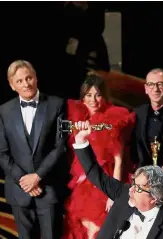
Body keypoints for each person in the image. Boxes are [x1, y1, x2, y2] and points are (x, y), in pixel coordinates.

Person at [71, 120, 163, 239]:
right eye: (133, 183)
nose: (131, 190)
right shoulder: (123, 193)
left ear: (154, 198)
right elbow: (95, 173)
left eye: (138, 188)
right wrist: (81, 139)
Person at [0, 60, 66, 239]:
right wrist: (24, 180)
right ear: (12, 85)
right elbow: (1, 152)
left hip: (47, 189)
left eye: (29, 78)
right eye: (19, 81)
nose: (26, 84)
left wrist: (37, 176)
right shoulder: (4, 111)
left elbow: (60, 146)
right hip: (19, 192)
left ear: (36, 78)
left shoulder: (57, 104)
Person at [62, 74, 135, 239]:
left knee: (99, 227)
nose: (93, 100)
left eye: (98, 95)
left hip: (104, 182)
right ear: (83, 97)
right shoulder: (76, 118)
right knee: (81, 226)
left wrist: (112, 193)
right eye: (88, 95)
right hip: (81, 184)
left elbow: (119, 159)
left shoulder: (112, 119)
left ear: (104, 96)